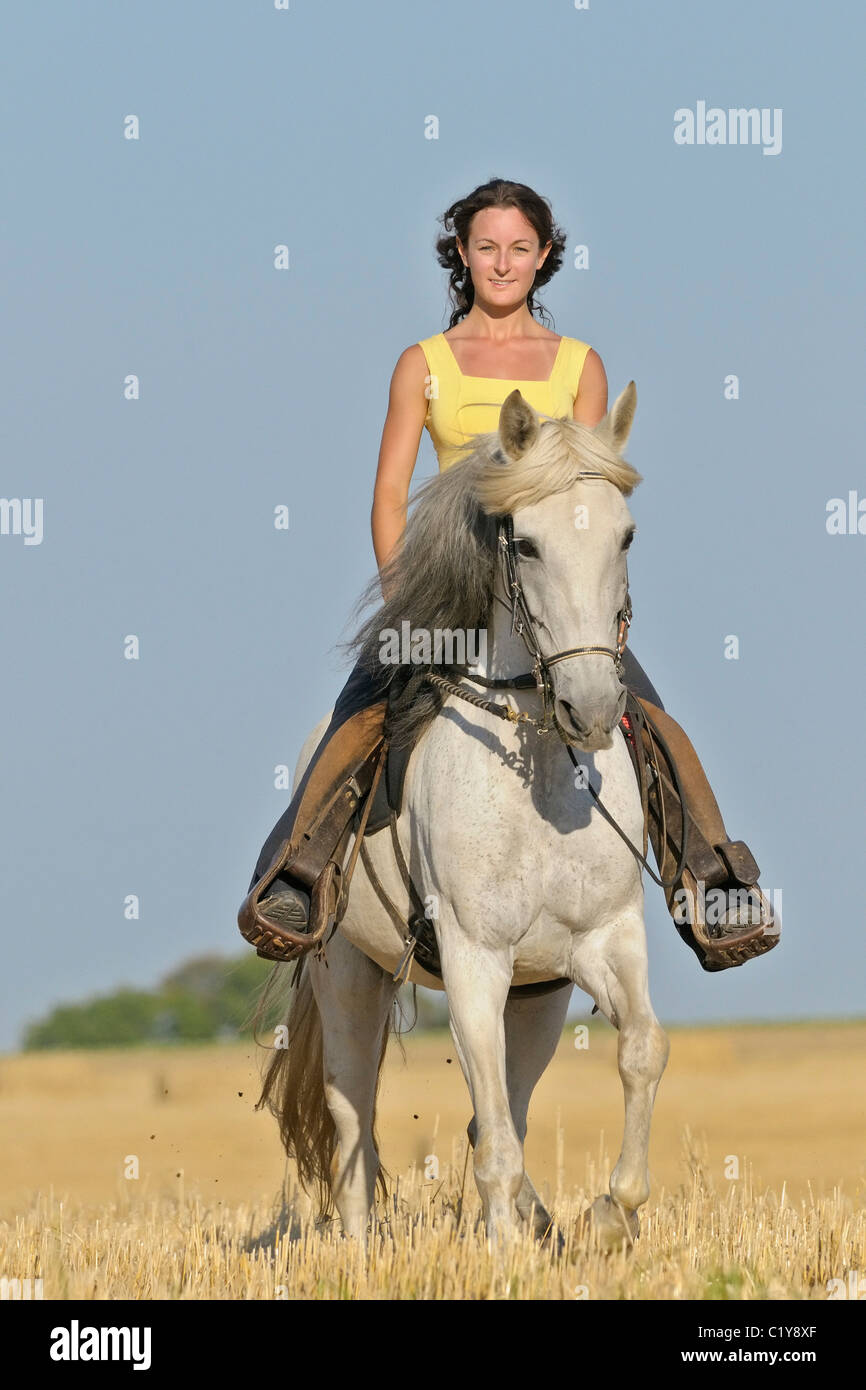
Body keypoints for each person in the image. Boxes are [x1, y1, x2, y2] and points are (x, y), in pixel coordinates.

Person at [238, 178, 779, 973]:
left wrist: (597, 607)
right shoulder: (421, 365)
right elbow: (389, 495)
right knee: (359, 718)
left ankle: (713, 885)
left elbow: (589, 501)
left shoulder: (579, 366)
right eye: (486, 246)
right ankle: (296, 873)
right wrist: (403, 604)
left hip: (548, 596)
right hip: (444, 585)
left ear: (545, 255)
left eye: (519, 247)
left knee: (656, 725)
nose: (502, 262)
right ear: (461, 254)